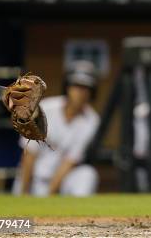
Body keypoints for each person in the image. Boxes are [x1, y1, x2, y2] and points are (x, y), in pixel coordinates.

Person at [13, 61, 100, 196]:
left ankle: (77, 216)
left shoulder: (92, 120)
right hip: (35, 180)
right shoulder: (45, 108)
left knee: (87, 174)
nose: (80, 92)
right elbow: (29, 153)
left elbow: (70, 161)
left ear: (92, 91)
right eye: (76, 86)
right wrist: (25, 192)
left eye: (85, 87)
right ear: (67, 87)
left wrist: (50, 195)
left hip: (63, 182)